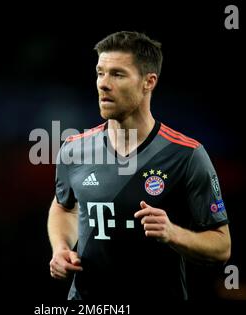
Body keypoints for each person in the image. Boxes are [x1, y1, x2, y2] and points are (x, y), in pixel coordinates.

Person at [47, 31, 231, 300]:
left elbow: (222, 246)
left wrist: (173, 234)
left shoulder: (186, 155)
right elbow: (63, 206)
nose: (103, 84)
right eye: (100, 73)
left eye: (117, 74)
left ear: (149, 82)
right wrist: (61, 248)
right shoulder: (74, 149)